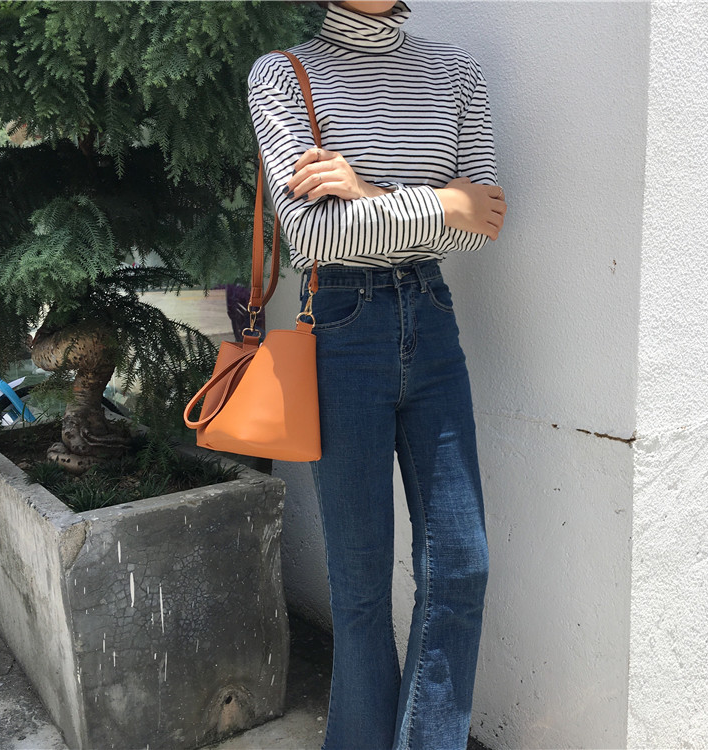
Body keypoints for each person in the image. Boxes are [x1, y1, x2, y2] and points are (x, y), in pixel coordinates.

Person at [247, 1, 506, 748]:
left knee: (461, 566)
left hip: (432, 319)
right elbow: (312, 234)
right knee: (359, 590)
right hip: (341, 329)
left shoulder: (456, 74)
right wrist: (443, 203)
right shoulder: (284, 76)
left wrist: (369, 195)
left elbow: (486, 221)